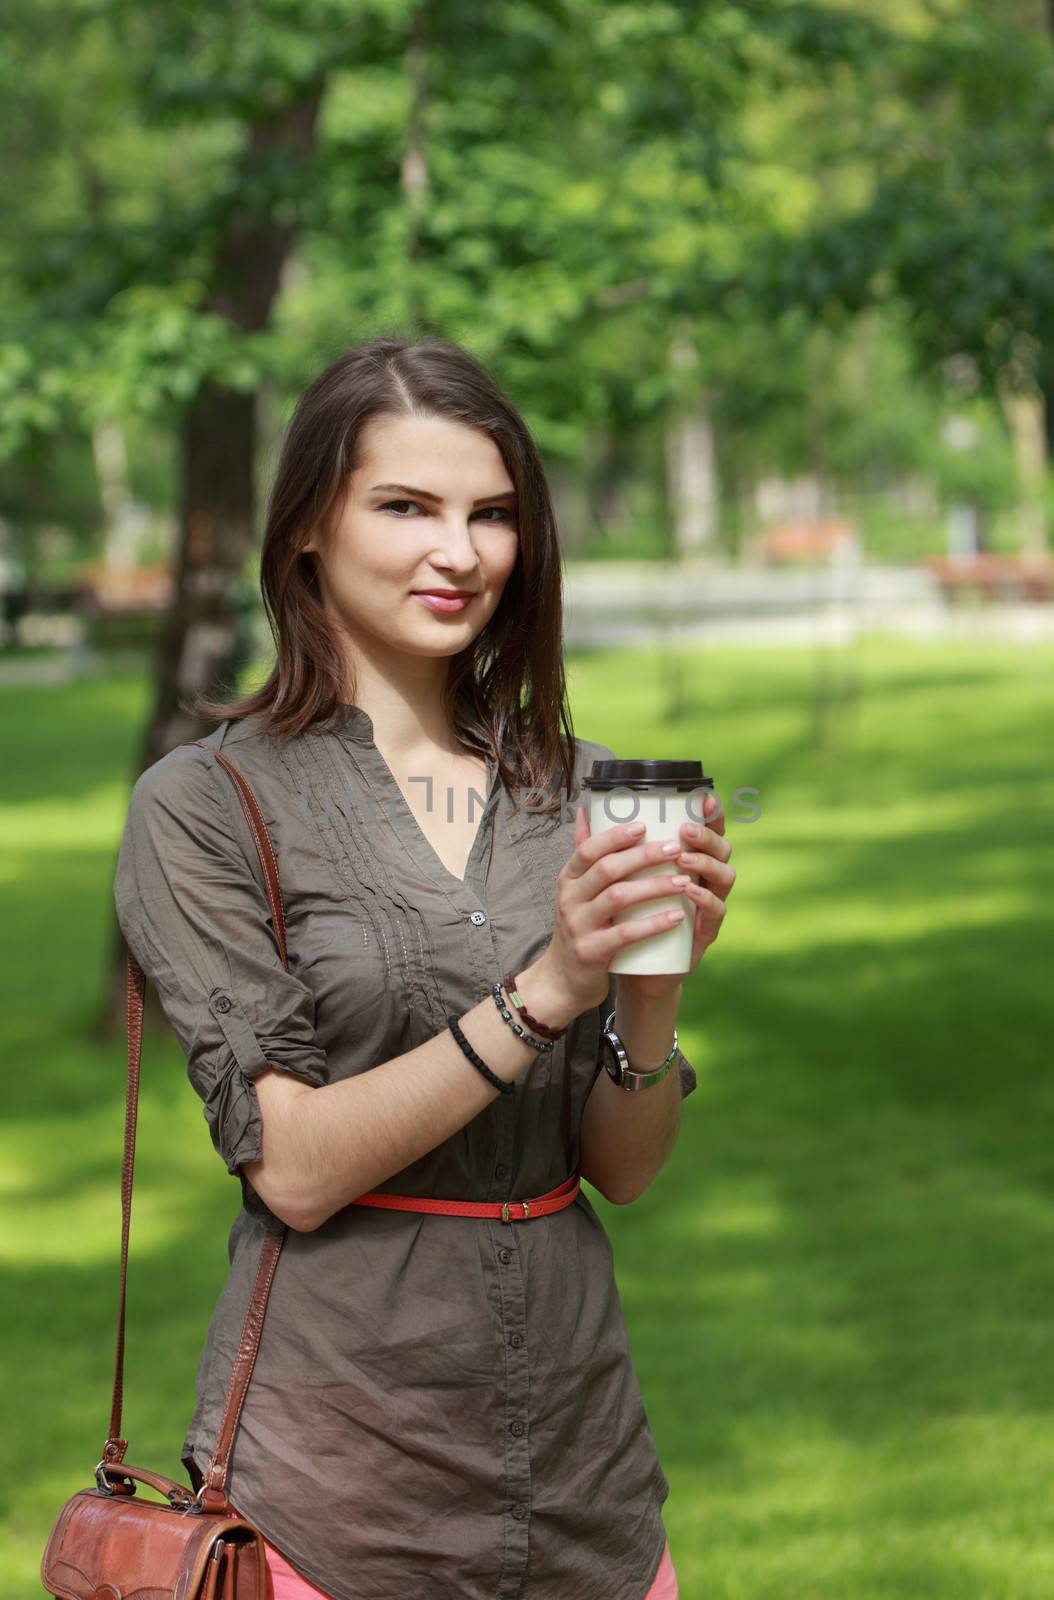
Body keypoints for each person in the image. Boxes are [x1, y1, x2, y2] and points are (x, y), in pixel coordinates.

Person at [113, 336, 735, 1600]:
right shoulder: (208, 804)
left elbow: (621, 1168)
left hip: (583, 1483)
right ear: (305, 530)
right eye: (406, 506)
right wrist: (547, 989)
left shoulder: (574, 785)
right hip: (339, 1488)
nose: (460, 552)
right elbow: (289, 1167)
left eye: (492, 514)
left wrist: (652, 988)